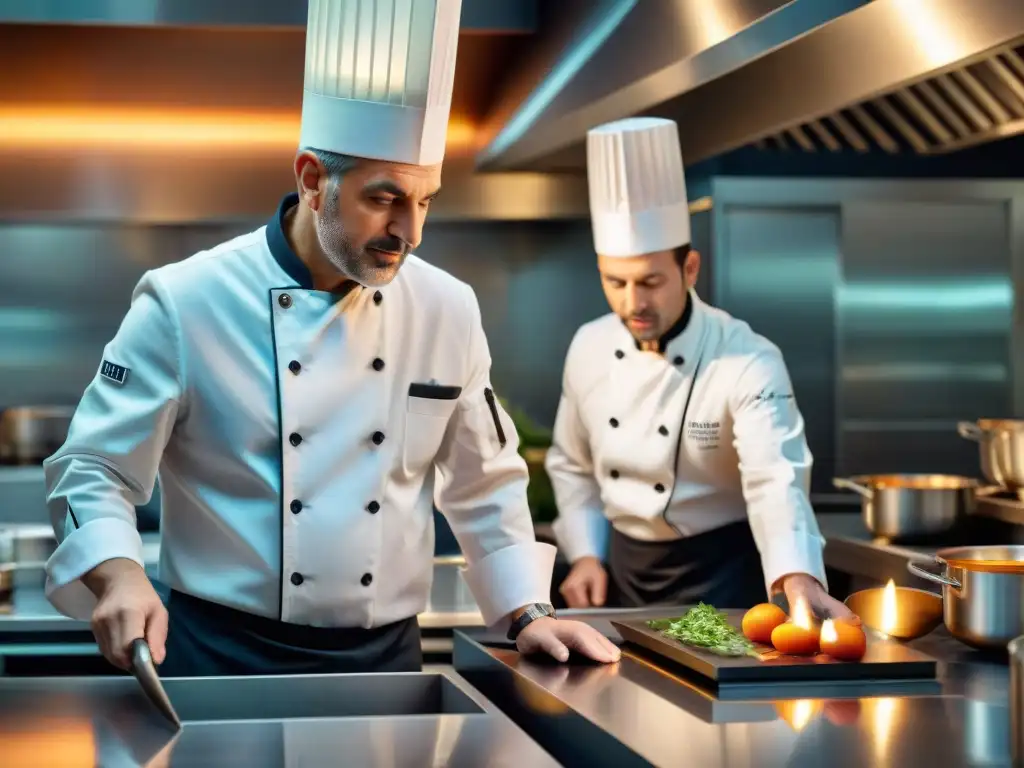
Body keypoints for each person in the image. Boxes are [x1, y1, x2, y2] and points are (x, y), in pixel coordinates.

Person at [42, 0, 619, 676]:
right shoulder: (185, 301)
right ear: (314, 181)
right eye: (385, 198)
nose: (412, 231)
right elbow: (94, 468)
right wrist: (118, 574)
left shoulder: (448, 309)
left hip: (387, 661)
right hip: (220, 655)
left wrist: (528, 611)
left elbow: (484, 483)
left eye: (426, 199)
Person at [547, 117, 855, 622]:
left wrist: (796, 574)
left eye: (650, 281)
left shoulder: (748, 359)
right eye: (615, 282)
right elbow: (572, 464)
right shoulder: (589, 345)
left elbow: (773, 476)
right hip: (622, 577)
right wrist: (585, 554)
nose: (633, 303)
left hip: (721, 574)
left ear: (690, 269)